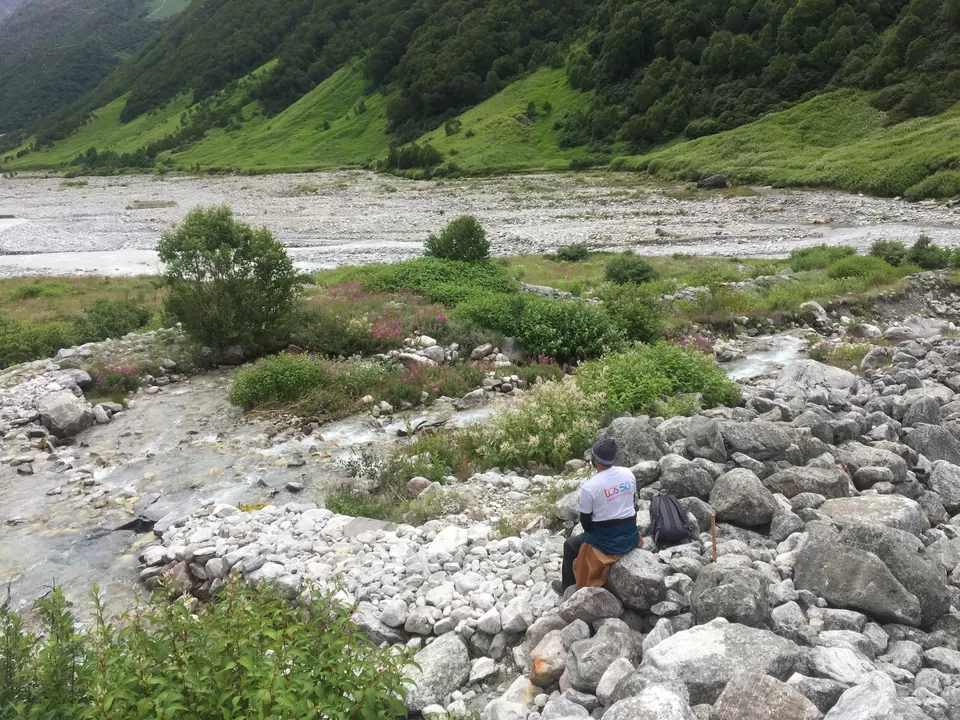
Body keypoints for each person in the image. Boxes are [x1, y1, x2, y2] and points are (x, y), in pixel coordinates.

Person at [553, 438, 641, 595]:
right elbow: (633, 503)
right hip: (629, 535)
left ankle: (567, 588)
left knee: (569, 545)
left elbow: (586, 523)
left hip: (607, 542)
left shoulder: (590, 486)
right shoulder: (628, 473)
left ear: (594, 460)